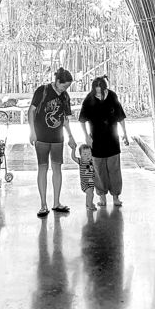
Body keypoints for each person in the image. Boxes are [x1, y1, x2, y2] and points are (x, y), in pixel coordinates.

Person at [28, 67, 77, 217]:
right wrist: (32, 132)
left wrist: (70, 136)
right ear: (57, 81)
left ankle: (56, 203)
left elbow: (65, 119)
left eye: (67, 87)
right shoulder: (42, 91)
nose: (65, 89)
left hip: (57, 139)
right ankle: (43, 204)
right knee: (42, 168)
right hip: (41, 137)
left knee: (57, 169)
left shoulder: (65, 97)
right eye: (63, 86)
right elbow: (31, 111)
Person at [79, 75, 129, 207]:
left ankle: (116, 196)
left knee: (114, 170)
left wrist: (125, 133)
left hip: (112, 140)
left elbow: (121, 117)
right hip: (96, 140)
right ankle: (102, 196)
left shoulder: (112, 96)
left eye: (101, 91)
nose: (99, 94)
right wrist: (86, 136)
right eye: (96, 91)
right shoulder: (89, 100)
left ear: (105, 88)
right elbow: (82, 120)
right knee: (99, 170)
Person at [71, 143, 96, 212]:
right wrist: (73, 149)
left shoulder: (92, 162)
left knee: (90, 194)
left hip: (91, 182)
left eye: (89, 153)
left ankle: (88, 203)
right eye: (84, 154)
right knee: (90, 193)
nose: (87, 156)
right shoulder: (81, 161)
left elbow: (93, 170)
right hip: (84, 183)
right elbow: (73, 157)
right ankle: (90, 205)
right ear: (81, 155)